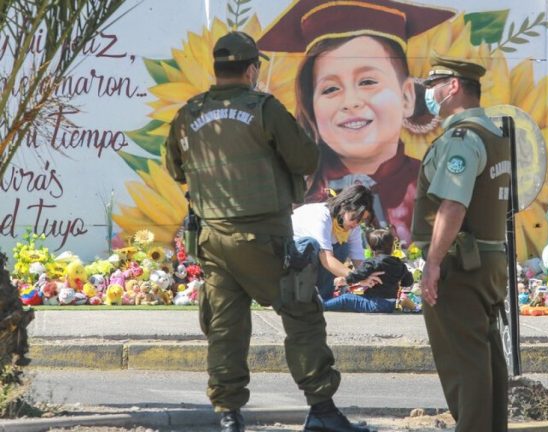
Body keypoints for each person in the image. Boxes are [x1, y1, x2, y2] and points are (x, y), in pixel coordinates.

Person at [164, 31, 370, 432]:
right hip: (265, 239)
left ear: (217, 68)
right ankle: (323, 409)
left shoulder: (190, 112)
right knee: (302, 313)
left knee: (225, 326)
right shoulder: (264, 108)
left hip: (213, 240)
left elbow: (175, 168)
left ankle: (227, 415)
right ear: (252, 68)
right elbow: (304, 157)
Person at [257, 0, 454, 245]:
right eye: (330, 88)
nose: (350, 102)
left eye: (368, 81)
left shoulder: (430, 186)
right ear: (312, 107)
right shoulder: (299, 192)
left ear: (406, 97)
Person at [410, 54, 512, 432]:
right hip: (488, 260)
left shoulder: (462, 138)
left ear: (453, 86)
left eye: (434, 85)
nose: (429, 93)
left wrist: (434, 262)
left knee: (462, 360)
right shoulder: (495, 136)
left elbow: (453, 203)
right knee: (485, 356)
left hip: (461, 264)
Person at [291, 184, 380, 301]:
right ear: (344, 206)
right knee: (311, 245)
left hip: (315, 258)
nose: (356, 224)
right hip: (287, 257)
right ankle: (296, 295)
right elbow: (327, 260)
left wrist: (369, 277)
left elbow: (358, 260)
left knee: (342, 248)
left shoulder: (353, 226)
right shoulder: (321, 216)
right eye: (355, 218)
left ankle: (323, 297)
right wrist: (358, 277)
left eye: (361, 220)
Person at [325, 228, 414, 313]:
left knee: (345, 298)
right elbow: (408, 282)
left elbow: (359, 274)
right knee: (350, 294)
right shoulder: (400, 264)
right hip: (390, 304)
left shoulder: (372, 262)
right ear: (392, 247)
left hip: (375, 303)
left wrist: (345, 280)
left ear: (372, 248)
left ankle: (321, 306)